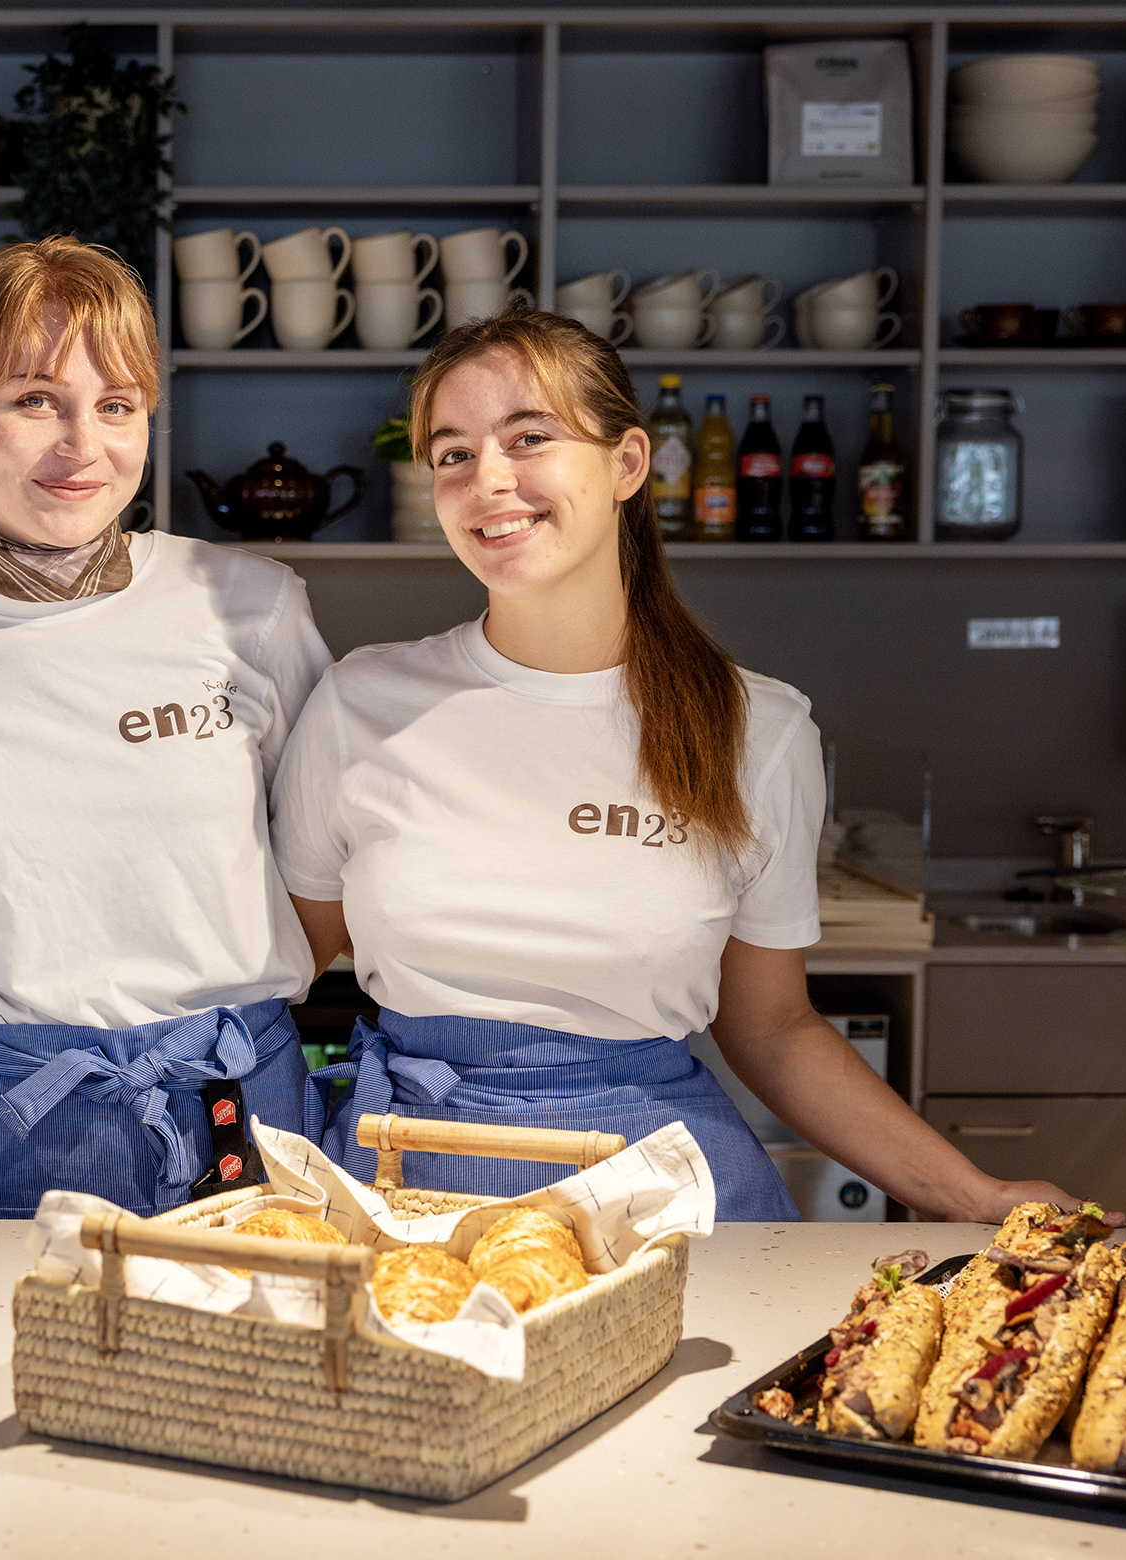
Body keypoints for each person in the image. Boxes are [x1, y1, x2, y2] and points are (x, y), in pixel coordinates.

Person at [270, 308, 1077, 1223]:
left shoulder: (756, 730)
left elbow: (772, 1029)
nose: (489, 479)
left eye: (529, 437)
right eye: (453, 454)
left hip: (656, 1191)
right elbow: (273, 974)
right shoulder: (361, 701)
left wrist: (978, 1194)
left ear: (627, 463)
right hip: (405, 1180)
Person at [0, 238, 332, 1219]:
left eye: (114, 406)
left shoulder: (250, 608)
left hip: (238, 1103)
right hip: (10, 1116)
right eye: (34, 401)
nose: (82, 446)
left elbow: (327, 867)